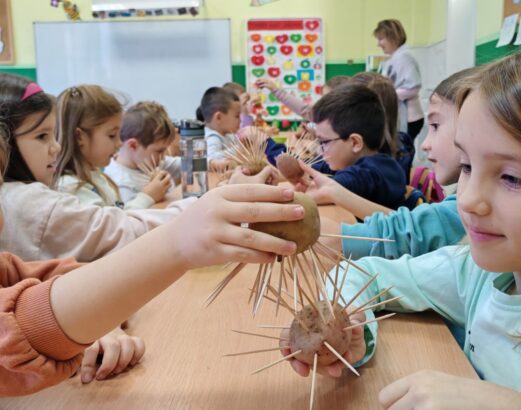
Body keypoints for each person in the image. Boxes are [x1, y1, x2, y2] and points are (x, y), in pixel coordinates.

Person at [284, 40, 521, 409]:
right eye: (467, 166)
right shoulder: (475, 272)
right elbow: (359, 274)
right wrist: (351, 325)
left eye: (511, 177)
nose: (467, 199)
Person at [0, 120, 305, 395]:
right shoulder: (30, 201)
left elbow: (63, 274)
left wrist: (93, 319)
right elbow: (23, 327)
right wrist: (177, 243)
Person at [0, 74, 193, 262]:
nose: (56, 147)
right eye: (42, 136)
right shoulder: (38, 200)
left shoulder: (95, 177)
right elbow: (117, 232)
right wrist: (191, 210)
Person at [313, 68, 478, 254]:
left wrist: (330, 194)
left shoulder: (382, 165)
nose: (424, 144)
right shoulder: (460, 199)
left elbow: (410, 233)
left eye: (435, 126)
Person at [55, 86, 173, 209]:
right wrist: (147, 197)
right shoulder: (72, 190)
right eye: (112, 135)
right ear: (79, 137)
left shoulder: (97, 176)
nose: (119, 143)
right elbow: (117, 221)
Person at [296, 84, 407, 210]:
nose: (321, 150)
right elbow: (315, 168)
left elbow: (334, 188)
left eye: (324, 142)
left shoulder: (372, 174)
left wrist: (299, 194)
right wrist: (297, 171)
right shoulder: (350, 162)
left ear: (355, 143)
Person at [105, 101, 181, 206]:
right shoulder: (121, 184)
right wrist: (153, 194)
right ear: (133, 145)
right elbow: (131, 215)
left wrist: (205, 160)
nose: (163, 157)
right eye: (159, 151)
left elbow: (184, 164)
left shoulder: (148, 161)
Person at [374, 19, 424, 141]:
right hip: (400, 116)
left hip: (409, 118)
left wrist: (387, 95)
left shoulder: (404, 57)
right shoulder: (394, 58)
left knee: (402, 149)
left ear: (393, 37)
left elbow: (413, 88)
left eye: (381, 39)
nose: (378, 44)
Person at [255, 75, 349, 121]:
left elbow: (304, 109)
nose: (321, 103)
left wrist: (276, 90)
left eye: (327, 99)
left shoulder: (345, 123)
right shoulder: (324, 115)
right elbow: (304, 109)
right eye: (322, 98)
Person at [197, 86, 241, 172]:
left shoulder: (227, 134)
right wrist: (240, 149)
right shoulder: (212, 137)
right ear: (219, 117)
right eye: (237, 116)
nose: (240, 120)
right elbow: (212, 158)